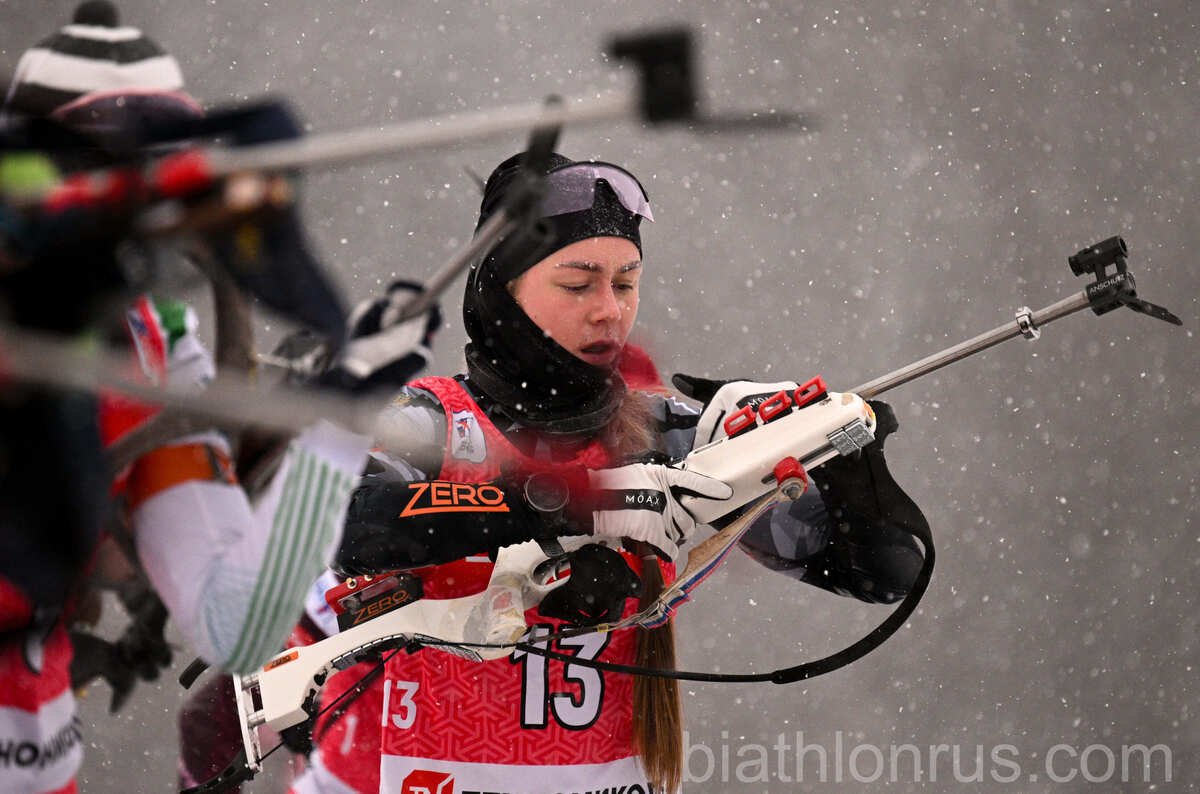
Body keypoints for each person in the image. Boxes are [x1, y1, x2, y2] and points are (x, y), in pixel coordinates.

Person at [290, 152, 925, 794]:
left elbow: (881, 573)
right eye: (578, 284)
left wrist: (847, 461)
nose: (608, 311)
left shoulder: (667, 434)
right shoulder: (431, 422)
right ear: (503, 293)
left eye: (625, 284)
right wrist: (570, 504)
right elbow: (347, 526)